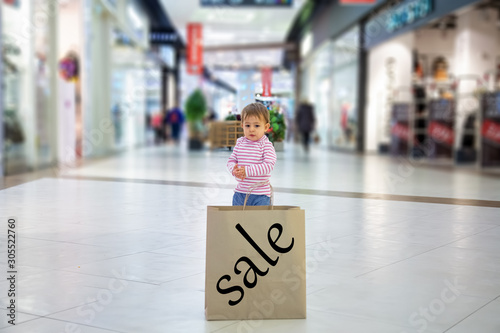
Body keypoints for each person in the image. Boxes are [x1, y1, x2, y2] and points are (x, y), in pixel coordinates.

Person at [227, 103, 277, 206]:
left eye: (257, 125)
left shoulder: (266, 145)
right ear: (242, 126)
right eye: (247, 125)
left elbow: (269, 165)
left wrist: (247, 171)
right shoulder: (240, 142)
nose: (251, 129)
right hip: (240, 193)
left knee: (259, 221)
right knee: (237, 220)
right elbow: (232, 160)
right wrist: (233, 169)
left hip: (260, 195)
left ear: (266, 127)